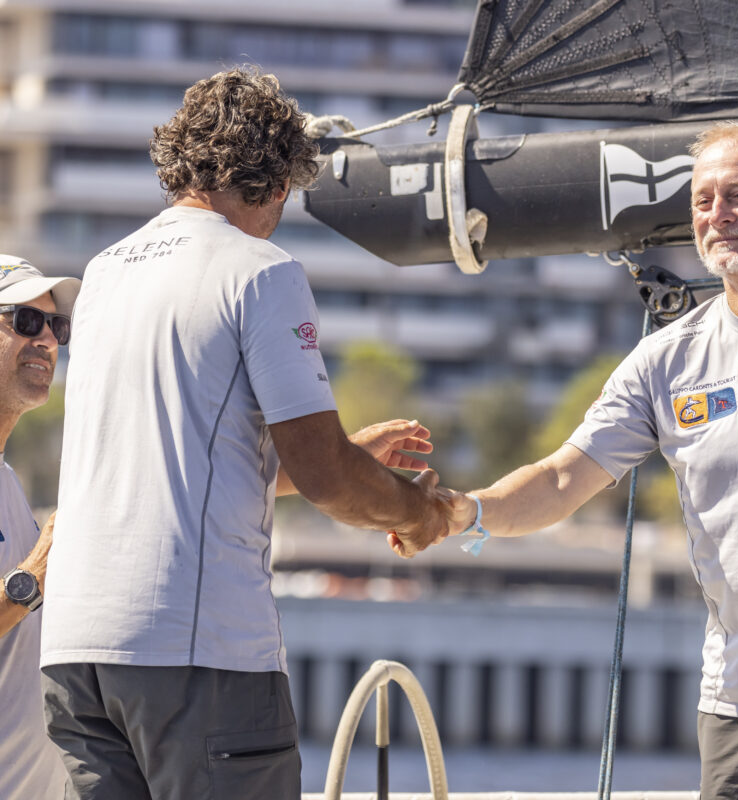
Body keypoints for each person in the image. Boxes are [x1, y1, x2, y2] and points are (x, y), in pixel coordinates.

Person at [39, 67, 450, 800]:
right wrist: (419, 512)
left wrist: (351, 455)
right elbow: (326, 478)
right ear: (278, 184)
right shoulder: (262, 271)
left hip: (76, 655)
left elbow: (185, 461)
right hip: (197, 653)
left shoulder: (102, 275)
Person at [393, 121, 738, 800]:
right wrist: (462, 512)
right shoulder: (668, 362)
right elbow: (561, 478)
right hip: (737, 706)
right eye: (702, 201)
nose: (717, 216)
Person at [0, 256, 80, 799]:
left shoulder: (8, 481)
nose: (47, 340)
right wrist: (35, 574)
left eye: (57, 327)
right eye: (26, 321)